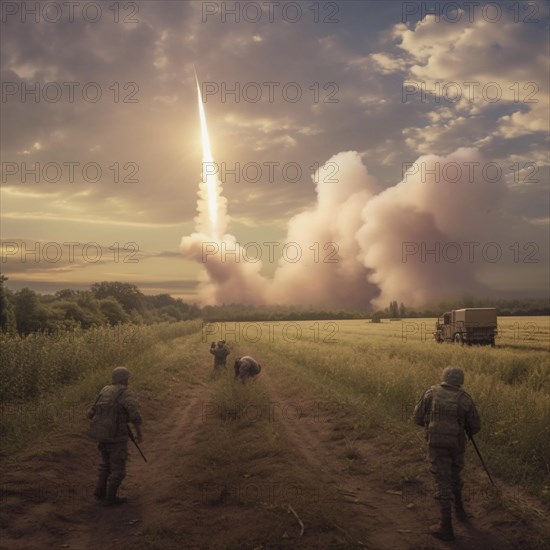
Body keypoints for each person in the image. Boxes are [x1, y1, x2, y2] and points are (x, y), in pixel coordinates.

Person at [413, 366, 481, 541]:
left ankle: (446, 527)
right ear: (460, 381)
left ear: (444, 378)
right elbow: (475, 427)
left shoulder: (430, 393)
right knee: (455, 475)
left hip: (436, 445)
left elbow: (417, 418)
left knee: (442, 481)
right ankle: (460, 512)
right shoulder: (465, 399)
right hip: (456, 445)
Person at [87, 366, 143, 505]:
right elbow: (134, 414)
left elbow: (90, 413)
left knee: (106, 465)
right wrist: (139, 432)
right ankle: (110, 498)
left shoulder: (104, 390)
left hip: (102, 434)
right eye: (127, 378)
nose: (128, 381)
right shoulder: (126, 393)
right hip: (116, 437)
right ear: (124, 379)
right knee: (118, 469)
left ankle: (100, 492)